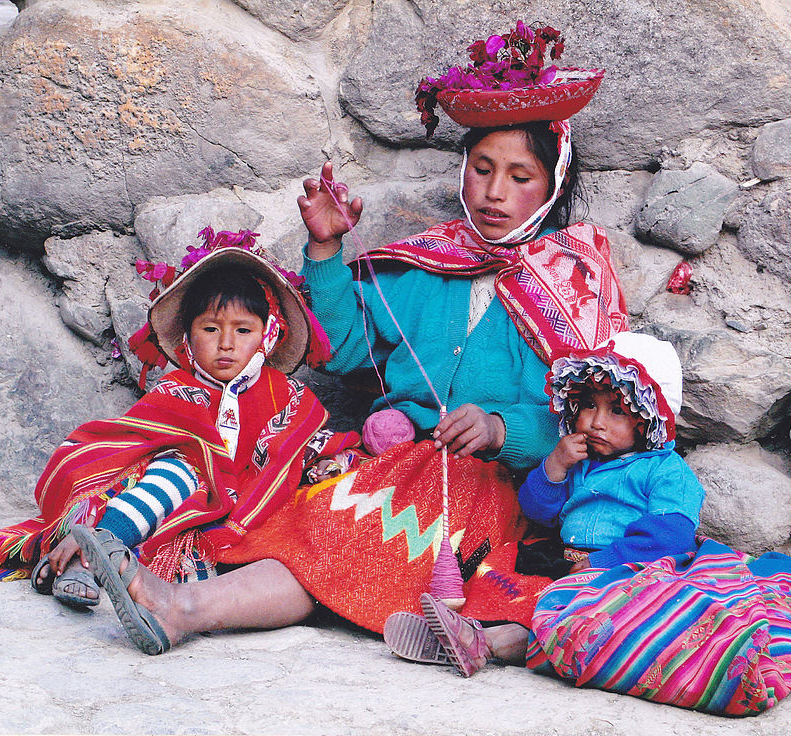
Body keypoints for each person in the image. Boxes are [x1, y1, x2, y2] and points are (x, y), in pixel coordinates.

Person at [65, 23, 631, 655]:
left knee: (353, 536)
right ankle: (167, 590)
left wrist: (503, 430)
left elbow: (593, 425)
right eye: (482, 168)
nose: (496, 192)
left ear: (553, 184)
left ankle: (184, 608)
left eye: (521, 176)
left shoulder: (578, 281)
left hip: (491, 488)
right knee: (309, 517)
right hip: (390, 461)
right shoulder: (427, 266)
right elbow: (343, 345)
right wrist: (326, 247)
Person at [0, 232, 358, 634]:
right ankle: (89, 553)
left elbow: (307, 446)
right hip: (177, 499)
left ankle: (102, 566)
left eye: (243, 330)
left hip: (245, 511)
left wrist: (336, 461)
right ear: (187, 338)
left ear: (268, 336)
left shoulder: (285, 395)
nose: (226, 344)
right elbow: (129, 442)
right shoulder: (175, 390)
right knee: (177, 472)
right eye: (210, 329)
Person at [384, 331, 704, 677]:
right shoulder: (580, 458)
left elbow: (671, 536)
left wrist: (608, 561)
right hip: (565, 558)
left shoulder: (666, 471)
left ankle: (486, 643)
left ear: (649, 419)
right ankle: (469, 626)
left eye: (616, 412)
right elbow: (538, 512)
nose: (596, 422)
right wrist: (554, 467)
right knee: (504, 568)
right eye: (590, 406)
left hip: (625, 568)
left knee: (573, 612)